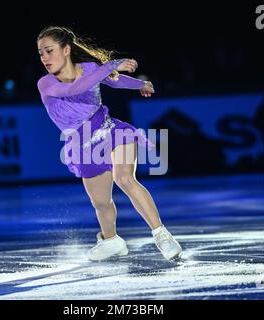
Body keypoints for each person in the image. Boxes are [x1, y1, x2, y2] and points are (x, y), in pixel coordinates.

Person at [36, 26, 182, 261]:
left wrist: (140, 85)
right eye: (41, 53)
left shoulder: (92, 69)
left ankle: (162, 235)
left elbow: (114, 82)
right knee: (102, 204)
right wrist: (111, 65)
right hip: (83, 146)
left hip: (110, 129)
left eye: (49, 51)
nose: (44, 58)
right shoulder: (46, 84)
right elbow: (77, 87)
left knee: (124, 178)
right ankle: (111, 241)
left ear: (66, 49)